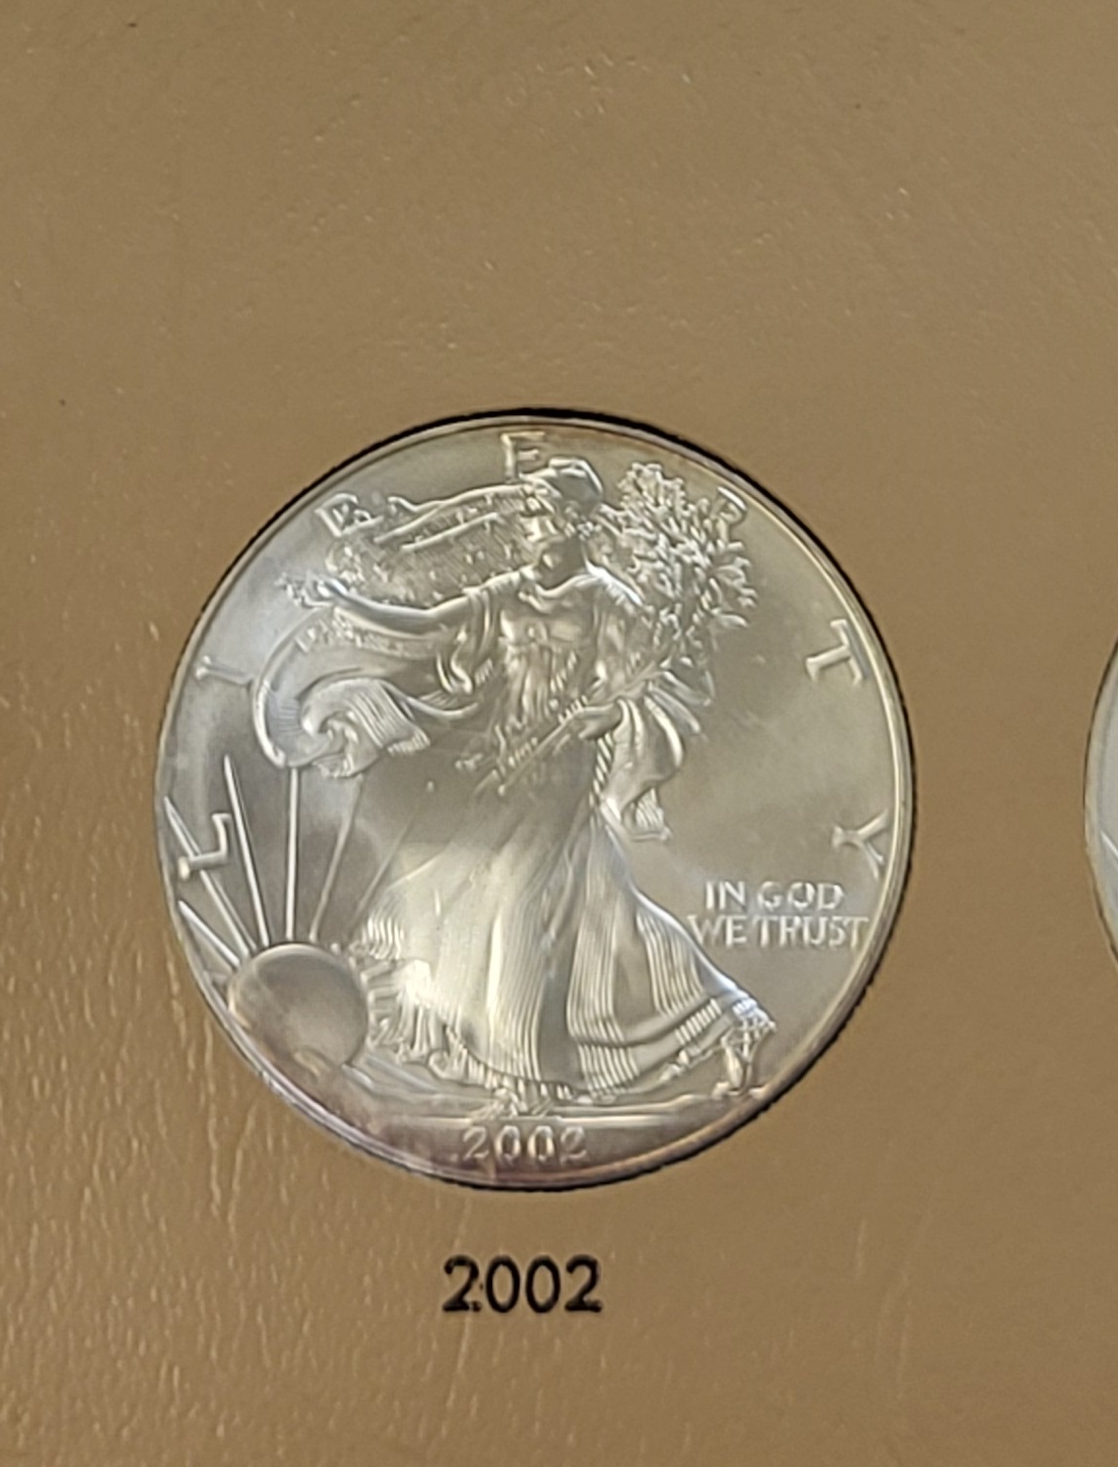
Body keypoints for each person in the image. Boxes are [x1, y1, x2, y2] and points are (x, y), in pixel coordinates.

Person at [253, 458, 768, 1110]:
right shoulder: (507, 593)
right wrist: (351, 606)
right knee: (562, 904)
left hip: (563, 772)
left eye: (542, 515)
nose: (529, 527)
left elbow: (641, 690)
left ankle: (522, 1078)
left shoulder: (608, 602)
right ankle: (728, 1015)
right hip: (506, 765)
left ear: (574, 523)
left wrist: (605, 716)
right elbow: (430, 628)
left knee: (516, 902)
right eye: (528, 514)